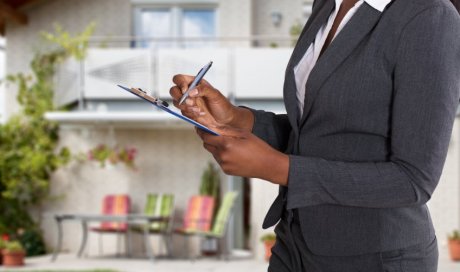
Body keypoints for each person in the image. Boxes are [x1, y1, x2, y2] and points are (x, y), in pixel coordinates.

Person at [170, 0, 460, 271]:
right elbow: (318, 130)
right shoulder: (327, 5)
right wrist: (237, 119)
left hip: (376, 256)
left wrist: (278, 168)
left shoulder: (429, 16)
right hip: (294, 243)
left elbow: (412, 181)